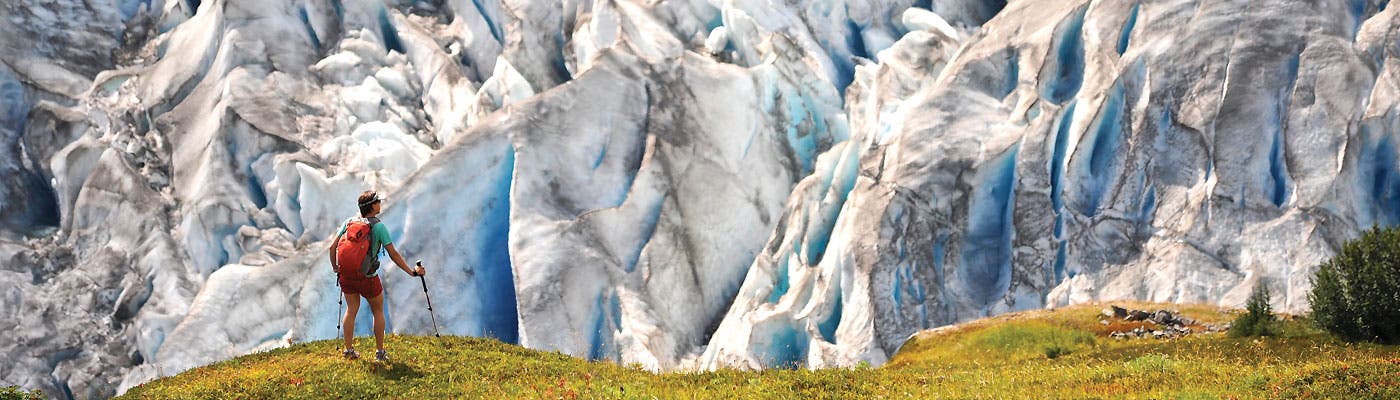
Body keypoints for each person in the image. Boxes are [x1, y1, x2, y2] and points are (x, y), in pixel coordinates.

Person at [329, 190, 426, 362]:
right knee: (378, 310)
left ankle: (348, 350)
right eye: (378, 202)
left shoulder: (349, 222)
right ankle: (380, 353)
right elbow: (393, 254)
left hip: (347, 275)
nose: (380, 204)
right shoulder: (378, 227)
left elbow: (332, 247)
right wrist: (412, 272)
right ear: (373, 206)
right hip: (368, 277)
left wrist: (336, 268)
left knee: (351, 310)